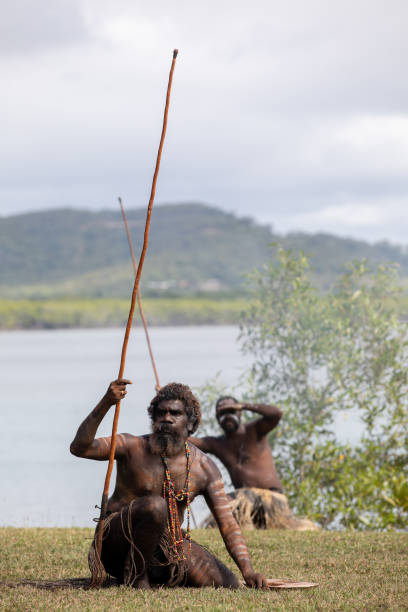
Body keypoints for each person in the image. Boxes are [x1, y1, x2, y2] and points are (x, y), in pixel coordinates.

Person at [70, 380, 268, 589]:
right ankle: (137, 577)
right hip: (115, 547)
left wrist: (248, 570)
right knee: (156, 507)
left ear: (191, 424)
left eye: (175, 413)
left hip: (164, 550)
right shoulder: (131, 446)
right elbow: (80, 447)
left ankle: (154, 574)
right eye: (161, 413)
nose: (166, 418)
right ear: (153, 419)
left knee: (228, 583)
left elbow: (228, 525)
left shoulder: (204, 468)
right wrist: (107, 403)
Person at [189, 397, 317, 530]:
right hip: (242, 500)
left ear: (240, 412)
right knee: (218, 514)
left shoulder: (255, 430)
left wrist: (245, 405)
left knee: (226, 506)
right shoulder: (217, 443)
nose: (227, 417)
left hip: (270, 499)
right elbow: (186, 442)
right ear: (217, 418)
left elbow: (276, 414)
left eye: (231, 411)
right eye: (222, 413)